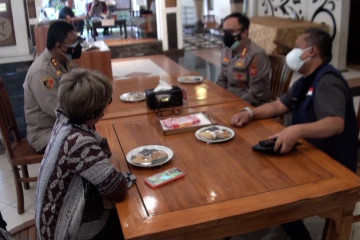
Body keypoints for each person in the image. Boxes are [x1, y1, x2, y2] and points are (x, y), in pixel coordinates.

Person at [230, 28, 358, 240]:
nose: (292, 52)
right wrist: (250, 112)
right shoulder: (306, 80)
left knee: (270, 187)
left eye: (297, 47)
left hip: (331, 165)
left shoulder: (327, 81)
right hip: (308, 154)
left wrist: (297, 130)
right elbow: (279, 106)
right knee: (253, 168)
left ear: (311, 51)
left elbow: (336, 123)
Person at [35, 69, 133, 240]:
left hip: (51, 222)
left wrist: (109, 172)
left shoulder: (66, 121)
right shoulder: (79, 142)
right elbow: (118, 190)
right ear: (97, 112)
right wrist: (110, 179)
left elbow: (106, 149)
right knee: (132, 224)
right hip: (65, 232)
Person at [23, 21, 82, 153]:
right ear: (58, 46)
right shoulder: (42, 71)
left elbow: (81, 85)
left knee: (94, 136)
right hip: (45, 133)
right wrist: (85, 114)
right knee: (85, 142)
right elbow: (57, 109)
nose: (76, 46)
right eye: (72, 43)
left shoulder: (64, 61)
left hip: (63, 127)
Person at [217, 12, 271, 106]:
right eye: (225, 32)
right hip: (228, 100)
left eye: (231, 32)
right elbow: (222, 80)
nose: (227, 36)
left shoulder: (256, 55)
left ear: (245, 32)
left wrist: (231, 104)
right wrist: (217, 98)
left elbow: (256, 94)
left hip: (250, 105)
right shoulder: (227, 50)